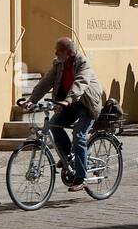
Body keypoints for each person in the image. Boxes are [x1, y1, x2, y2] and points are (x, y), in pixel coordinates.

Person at [22, 37, 104, 189]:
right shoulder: (58, 64)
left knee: (79, 135)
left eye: (59, 50)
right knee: (54, 125)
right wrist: (32, 99)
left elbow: (80, 82)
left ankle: (81, 177)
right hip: (70, 103)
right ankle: (68, 157)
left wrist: (68, 100)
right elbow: (46, 81)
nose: (55, 52)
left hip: (87, 106)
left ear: (70, 53)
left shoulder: (83, 64)